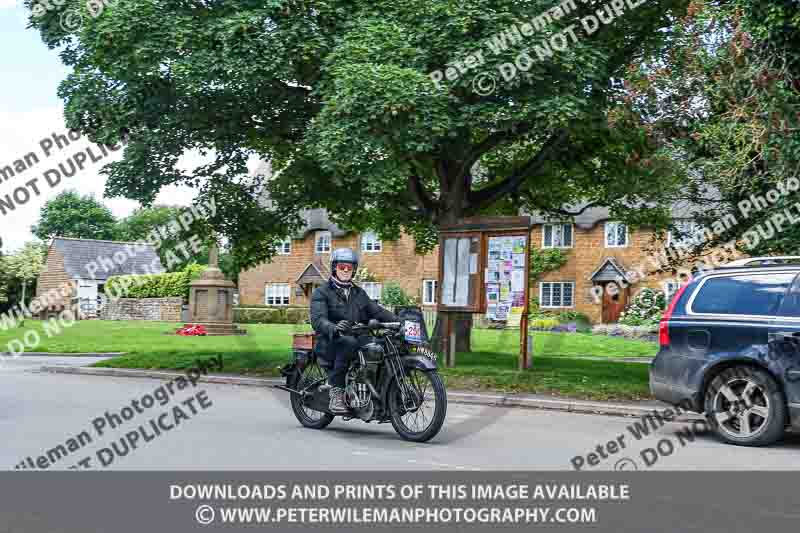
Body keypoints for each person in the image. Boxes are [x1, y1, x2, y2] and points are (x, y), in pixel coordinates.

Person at [310, 248, 398, 414]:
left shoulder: (358, 293)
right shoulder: (322, 292)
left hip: (355, 337)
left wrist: (400, 321)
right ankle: (336, 393)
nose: (345, 270)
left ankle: (376, 390)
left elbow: (377, 311)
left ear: (354, 270)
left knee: (380, 346)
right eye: (342, 266)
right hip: (330, 341)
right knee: (348, 343)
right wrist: (334, 328)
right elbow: (318, 320)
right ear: (334, 267)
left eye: (349, 267)